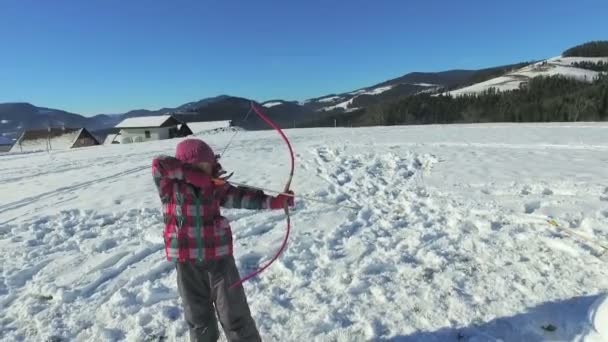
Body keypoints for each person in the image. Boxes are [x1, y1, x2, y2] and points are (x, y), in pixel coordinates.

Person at [151, 138, 294, 342]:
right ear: (186, 165)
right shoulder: (170, 188)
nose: (207, 169)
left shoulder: (215, 187)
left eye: (208, 164)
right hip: (186, 264)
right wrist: (190, 176)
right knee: (199, 320)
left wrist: (275, 202)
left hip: (219, 260)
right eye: (200, 165)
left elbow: (242, 197)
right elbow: (159, 165)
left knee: (235, 315)